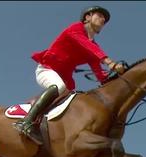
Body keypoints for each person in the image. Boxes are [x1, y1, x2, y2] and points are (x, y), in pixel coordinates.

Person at [14, 5, 126, 144]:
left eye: (105, 19)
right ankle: (26, 123)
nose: (103, 20)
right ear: (87, 17)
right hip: (47, 69)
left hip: (66, 80)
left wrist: (121, 78)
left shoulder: (94, 46)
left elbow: (100, 74)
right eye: (100, 16)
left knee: (74, 102)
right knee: (58, 86)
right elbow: (88, 46)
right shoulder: (75, 29)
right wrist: (110, 63)